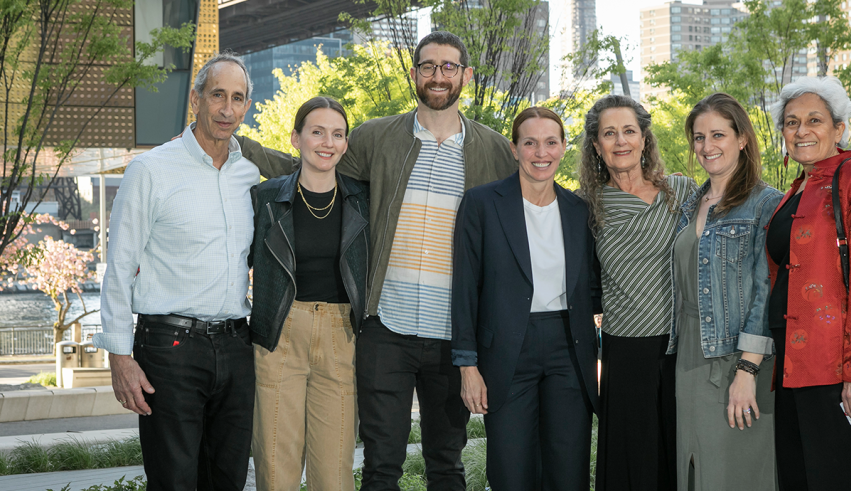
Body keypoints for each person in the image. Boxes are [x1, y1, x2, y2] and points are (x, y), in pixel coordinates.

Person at [235, 31, 517, 491]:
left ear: (465, 75)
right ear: (414, 74)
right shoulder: (375, 137)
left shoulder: (492, 150)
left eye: (449, 67)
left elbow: (522, 217)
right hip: (385, 328)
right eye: (428, 66)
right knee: (381, 464)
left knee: (446, 463)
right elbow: (313, 169)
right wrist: (239, 146)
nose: (438, 76)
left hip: (454, 334)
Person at [96, 53, 288, 490]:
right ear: (196, 100)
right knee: (175, 482)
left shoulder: (250, 174)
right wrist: (119, 357)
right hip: (169, 348)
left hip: (237, 347)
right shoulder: (151, 170)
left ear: (247, 107)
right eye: (217, 95)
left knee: (228, 479)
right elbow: (120, 267)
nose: (226, 108)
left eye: (237, 98)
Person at [451, 107, 602, 491]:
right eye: (530, 142)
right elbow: (466, 288)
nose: (541, 152)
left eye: (551, 142)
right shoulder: (482, 204)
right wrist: (468, 365)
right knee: (511, 472)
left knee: (568, 473)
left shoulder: (579, 210)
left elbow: (594, 289)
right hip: (506, 351)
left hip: (569, 348)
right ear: (515, 149)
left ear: (564, 147)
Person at [766, 76, 851, 491]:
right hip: (786, 365)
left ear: (838, 129)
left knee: (834, 479)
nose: (801, 131)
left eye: (814, 120)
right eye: (791, 122)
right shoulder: (797, 189)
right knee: (796, 479)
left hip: (832, 369)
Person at [248, 97, 370, 490]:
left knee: (334, 473)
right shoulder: (266, 198)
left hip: (340, 336)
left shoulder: (362, 200)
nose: (327, 142)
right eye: (317, 131)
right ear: (296, 138)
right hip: (280, 331)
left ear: (346, 144)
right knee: (275, 467)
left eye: (337, 134)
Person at [578, 94, 698, 490]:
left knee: (680, 456)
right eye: (608, 133)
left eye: (629, 130)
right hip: (624, 351)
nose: (620, 141)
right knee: (633, 464)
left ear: (645, 139)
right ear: (596, 145)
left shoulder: (682, 194)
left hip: (682, 347)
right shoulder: (586, 208)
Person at [673, 93, 782, 490]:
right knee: (694, 470)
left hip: (737, 359)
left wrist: (747, 370)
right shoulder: (689, 203)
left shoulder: (766, 203)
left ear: (742, 139)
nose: (707, 146)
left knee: (736, 472)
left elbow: (764, 292)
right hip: (687, 357)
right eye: (699, 137)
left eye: (718, 134)